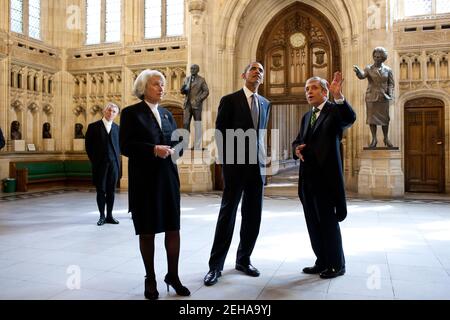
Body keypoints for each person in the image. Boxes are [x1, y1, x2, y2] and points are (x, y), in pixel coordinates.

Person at [120, 69, 190, 300]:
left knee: (173, 228)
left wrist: (176, 148)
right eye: (156, 84)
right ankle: (150, 278)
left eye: (163, 84)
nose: (162, 88)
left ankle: (173, 275)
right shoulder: (131, 113)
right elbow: (126, 146)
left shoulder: (168, 114)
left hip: (168, 177)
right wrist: (152, 149)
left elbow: (171, 142)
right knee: (148, 231)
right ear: (143, 88)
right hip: (144, 180)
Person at [204, 62, 271, 286]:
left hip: (257, 168)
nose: (257, 72)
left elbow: (260, 136)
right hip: (235, 167)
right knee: (228, 214)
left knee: (253, 215)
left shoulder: (265, 103)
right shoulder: (230, 100)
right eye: (253, 69)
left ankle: (244, 259)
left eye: (261, 70)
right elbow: (220, 133)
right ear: (244, 74)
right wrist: (226, 165)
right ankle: (215, 266)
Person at [292, 72, 356, 279]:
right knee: (313, 223)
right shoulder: (306, 116)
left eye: (314, 88)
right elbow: (298, 140)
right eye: (307, 89)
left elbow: (349, 119)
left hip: (326, 180)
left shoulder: (334, 111)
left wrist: (339, 98)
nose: (309, 92)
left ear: (325, 91)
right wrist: (296, 149)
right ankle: (321, 261)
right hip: (307, 181)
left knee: (328, 224)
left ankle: (337, 265)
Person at [85, 103, 121, 226]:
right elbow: (88, 147)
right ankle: (102, 216)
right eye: (109, 110)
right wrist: (95, 161)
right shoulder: (93, 127)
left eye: (114, 111)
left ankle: (110, 216)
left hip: (114, 165)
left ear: (116, 114)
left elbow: (119, 147)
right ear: (104, 111)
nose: (111, 113)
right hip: (100, 165)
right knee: (101, 191)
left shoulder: (117, 128)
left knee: (111, 191)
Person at [353, 47, 394, 148]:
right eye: (375, 56)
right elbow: (362, 76)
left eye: (379, 57)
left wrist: (390, 94)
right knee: (371, 119)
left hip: (383, 97)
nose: (376, 58)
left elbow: (391, 84)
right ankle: (374, 139)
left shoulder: (388, 70)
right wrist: (358, 72)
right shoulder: (368, 68)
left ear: (383, 58)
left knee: (385, 119)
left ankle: (386, 138)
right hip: (371, 97)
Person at [180, 64, 209, 150]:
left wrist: (199, 99)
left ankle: (197, 146)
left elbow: (206, 91)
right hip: (187, 105)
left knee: (197, 125)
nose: (192, 70)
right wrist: (183, 89)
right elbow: (183, 91)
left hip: (196, 105)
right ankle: (185, 145)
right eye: (191, 68)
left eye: (194, 68)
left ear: (197, 70)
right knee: (185, 125)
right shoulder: (186, 79)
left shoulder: (201, 80)